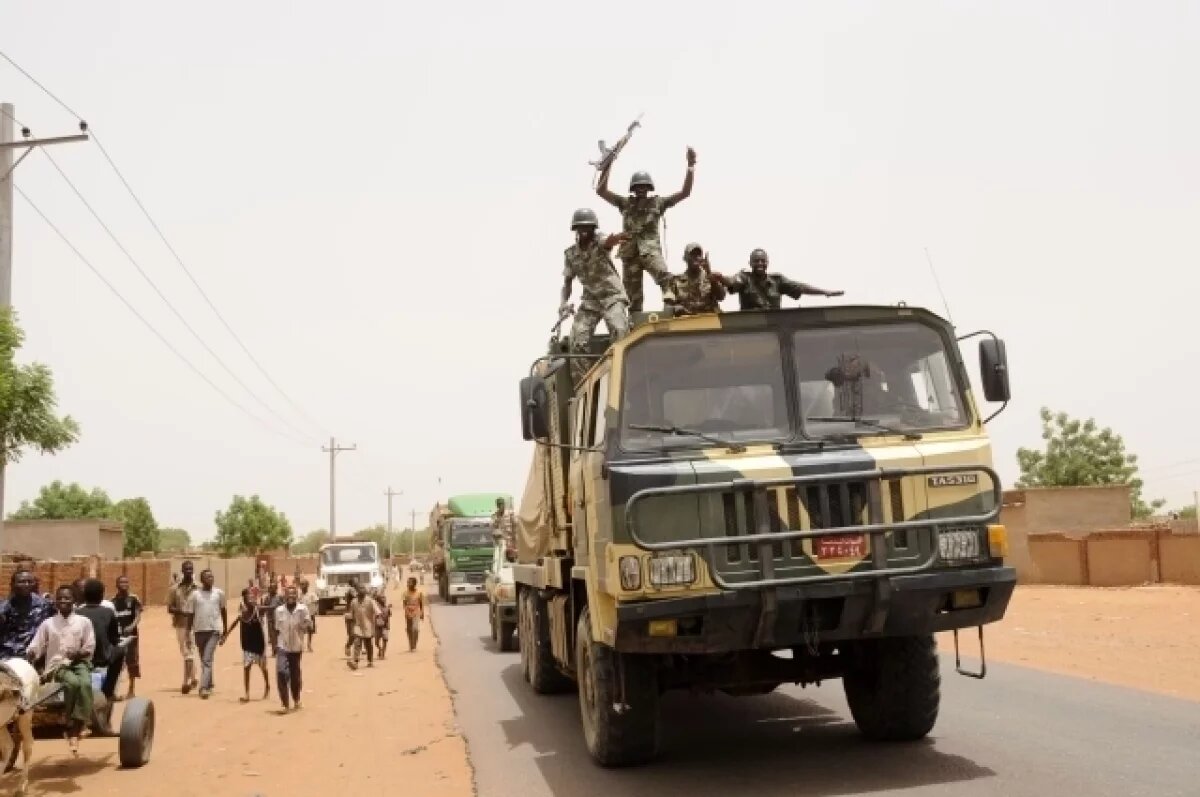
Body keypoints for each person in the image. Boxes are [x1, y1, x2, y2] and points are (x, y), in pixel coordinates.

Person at [596, 147, 697, 311]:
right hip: (630, 255)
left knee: (666, 278)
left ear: (649, 188)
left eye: (644, 186)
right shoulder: (625, 203)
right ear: (633, 189)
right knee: (632, 296)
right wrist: (608, 164)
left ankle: (673, 308)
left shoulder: (658, 203)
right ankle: (635, 320)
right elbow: (601, 190)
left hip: (651, 252)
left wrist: (690, 166)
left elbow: (685, 193)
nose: (641, 189)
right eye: (638, 187)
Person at [560, 208, 632, 383]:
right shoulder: (571, 254)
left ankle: (622, 376)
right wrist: (563, 303)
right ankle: (584, 385)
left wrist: (612, 241)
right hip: (591, 300)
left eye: (588, 227)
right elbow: (567, 283)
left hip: (612, 296)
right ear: (575, 229)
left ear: (594, 228)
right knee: (577, 340)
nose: (585, 230)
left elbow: (606, 242)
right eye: (581, 227)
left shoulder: (599, 242)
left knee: (619, 330)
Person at [26, 586, 95, 754]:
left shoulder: (84, 622)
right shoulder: (48, 624)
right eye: (60, 598)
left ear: (74, 601)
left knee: (85, 683)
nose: (63, 601)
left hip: (79, 663)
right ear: (55, 601)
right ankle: (72, 724)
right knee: (72, 683)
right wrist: (32, 652)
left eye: (67, 598)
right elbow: (37, 645)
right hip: (57, 665)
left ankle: (78, 725)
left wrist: (78, 653)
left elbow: (89, 646)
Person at [719, 248, 843, 310]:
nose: (760, 263)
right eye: (756, 261)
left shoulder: (777, 280)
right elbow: (731, 282)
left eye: (763, 261)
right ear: (750, 263)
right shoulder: (744, 277)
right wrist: (720, 278)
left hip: (774, 329)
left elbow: (800, 287)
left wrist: (825, 292)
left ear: (767, 263)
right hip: (752, 330)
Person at [74, 578, 125, 702]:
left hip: (81, 656)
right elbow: (114, 638)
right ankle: (109, 691)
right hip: (102, 658)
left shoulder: (77, 612)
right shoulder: (108, 612)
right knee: (120, 651)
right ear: (102, 595)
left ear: (84, 595)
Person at [184, 569, 228, 699]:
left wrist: (225, 629)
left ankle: (203, 688)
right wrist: (188, 632)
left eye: (211, 576)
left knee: (207, 659)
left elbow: (223, 611)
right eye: (207, 577)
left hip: (214, 630)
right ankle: (209, 683)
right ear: (202, 580)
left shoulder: (219, 593)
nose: (210, 579)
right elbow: (190, 615)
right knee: (204, 659)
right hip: (199, 631)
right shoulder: (195, 595)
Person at [220, 588, 269, 703]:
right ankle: (247, 694)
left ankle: (267, 685)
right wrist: (225, 636)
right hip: (247, 644)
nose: (251, 598)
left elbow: (268, 608)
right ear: (244, 598)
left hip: (259, 644)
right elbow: (235, 623)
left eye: (252, 596)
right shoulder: (242, 611)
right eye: (249, 596)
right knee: (247, 667)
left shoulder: (257, 609)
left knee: (263, 667)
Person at [0, 568, 54, 660]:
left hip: (34, 655)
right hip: (7, 655)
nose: (26, 584)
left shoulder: (45, 605)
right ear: (12, 584)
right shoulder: (3, 608)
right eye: (22, 582)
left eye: (30, 582)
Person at [663, 242, 727, 316]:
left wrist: (709, 273)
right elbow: (667, 306)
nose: (696, 257)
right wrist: (675, 308)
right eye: (692, 254)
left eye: (698, 255)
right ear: (685, 258)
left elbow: (721, 296)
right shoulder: (675, 281)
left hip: (710, 319)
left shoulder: (710, 277)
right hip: (687, 320)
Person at [274, 586, 310, 712]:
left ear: (296, 596)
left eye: (293, 594)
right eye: (288, 594)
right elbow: (276, 629)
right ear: (285, 596)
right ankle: (284, 703)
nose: (291, 596)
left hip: (296, 646)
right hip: (282, 646)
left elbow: (308, 624)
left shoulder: (302, 609)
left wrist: (303, 626)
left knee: (295, 675)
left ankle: (296, 698)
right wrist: (275, 646)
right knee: (281, 671)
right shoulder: (279, 611)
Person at [167, 560, 199, 694]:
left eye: (190, 569)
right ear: (182, 571)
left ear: (193, 570)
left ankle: (186, 682)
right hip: (180, 624)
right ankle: (194, 678)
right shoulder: (174, 589)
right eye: (186, 569)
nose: (188, 571)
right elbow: (170, 608)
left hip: (196, 624)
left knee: (188, 652)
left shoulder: (199, 588)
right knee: (186, 651)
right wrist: (181, 611)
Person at [111, 575, 142, 700]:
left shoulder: (133, 599)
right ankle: (114, 691)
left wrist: (131, 626)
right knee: (116, 663)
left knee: (132, 662)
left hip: (132, 636)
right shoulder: (112, 601)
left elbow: (138, 616)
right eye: (121, 582)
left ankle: (131, 689)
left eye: (126, 582)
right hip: (118, 636)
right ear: (116, 585)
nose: (124, 584)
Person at [347, 587, 378, 670]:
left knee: (368, 644)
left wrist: (377, 621)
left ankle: (370, 661)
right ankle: (355, 662)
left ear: (365, 594)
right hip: (358, 626)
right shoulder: (354, 602)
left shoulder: (370, 601)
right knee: (357, 643)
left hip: (368, 626)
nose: (360, 595)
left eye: (362, 594)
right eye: (359, 593)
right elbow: (351, 614)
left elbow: (377, 612)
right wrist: (348, 618)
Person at [401, 577, 425, 652]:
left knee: (415, 629)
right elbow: (404, 604)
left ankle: (414, 644)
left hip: (416, 612)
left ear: (414, 584)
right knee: (409, 629)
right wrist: (406, 611)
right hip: (408, 612)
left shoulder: (419, 593)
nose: (408, 584)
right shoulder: (405, 593)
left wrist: (422, 613)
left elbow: (421, 604)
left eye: (410, 582)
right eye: (408, 582)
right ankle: (411, 644)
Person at [298, 578, 318, 653]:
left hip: (310, 614)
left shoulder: (312, 594)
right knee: (301, 630)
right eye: (301, 584)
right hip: (302, 615)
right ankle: (301, 645)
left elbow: (316, 602)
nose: (301, 586)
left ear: (307, 585)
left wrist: (315, 611)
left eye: (303, 584)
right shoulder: (300, 595)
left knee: (310, 630)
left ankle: (309, 645)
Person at [373, 589, 392, 660]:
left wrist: (388, 626)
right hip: (377, 627)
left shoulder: (387, 607)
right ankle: (380, 649)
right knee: (376, 642)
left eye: (384, 597)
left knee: (385, 640)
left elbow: (389, 616)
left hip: (385, 627)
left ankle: (383, 654)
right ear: (378, 599)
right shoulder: (376, 607)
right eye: (382, 597)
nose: (384, 599)